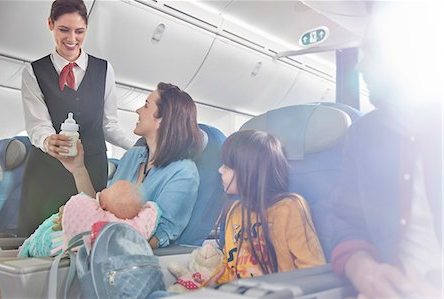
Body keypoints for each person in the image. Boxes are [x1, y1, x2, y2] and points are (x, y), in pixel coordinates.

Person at [330, 3, 443, 298]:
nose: (360, 65)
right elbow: (347, 223)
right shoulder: (363, 134)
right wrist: (362, 267)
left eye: (373, 51)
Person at [18, 0, 134, 237]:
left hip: (92, 168)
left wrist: (139, 147)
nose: (72, 38)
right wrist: (48, 141)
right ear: (50, 25)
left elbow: (109, 124)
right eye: (64, 30)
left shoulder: (104, 70)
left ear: (86, 29)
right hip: (47, 172)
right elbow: (37, 125)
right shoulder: (33, 72)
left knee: (88, 239)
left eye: (79, 31)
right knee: (43, 240)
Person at [58, 82, 204, 249]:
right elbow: (102, 207)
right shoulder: (132, 156)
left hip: (129, 258)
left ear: (162, 119)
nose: (138, 111)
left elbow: (160, 235)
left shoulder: (184, 172)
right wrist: (78, 169)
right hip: (101, 244)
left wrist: (97, 246)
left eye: (146, 106)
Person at [212, 130, 325, 283]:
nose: (220, 170)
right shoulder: (235, 210)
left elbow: (312, 268)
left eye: (227, 166)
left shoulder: (289, 208)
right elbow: (230, 264)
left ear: (250, 170)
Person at [18, 180, 160, 257]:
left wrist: (70, 211)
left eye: (106, 190)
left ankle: (27, 248)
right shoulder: (124, 225)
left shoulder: (96, 217)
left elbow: (81, 206)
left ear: (103, 205)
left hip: (56, 247)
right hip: (63, 247)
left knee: (42, 234)